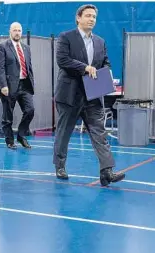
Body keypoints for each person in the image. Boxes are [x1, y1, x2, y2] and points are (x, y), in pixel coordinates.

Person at [53, 4, 125, 186]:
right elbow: (63, 60)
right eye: (88, 16)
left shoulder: (100, 41)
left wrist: (106, 73)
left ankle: (106, 171)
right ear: (78, 18)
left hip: (93, 96)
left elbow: (105, 63)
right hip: (69, 95)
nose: (92, 19)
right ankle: (60, 166)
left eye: (94, 16)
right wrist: (85, 68)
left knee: (99, 134)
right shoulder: (66, 37)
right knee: (64, 133)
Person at [0, 22, 35, 149]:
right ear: (10, 32)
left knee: (30, 110)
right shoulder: (2, 47)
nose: (17, 33)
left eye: (19, 30)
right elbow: (0, 68)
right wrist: (3, 85)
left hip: (24, 85)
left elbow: (29, 67)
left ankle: (21, 135)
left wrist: (32, 82)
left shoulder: (26, 48)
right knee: (8, 116)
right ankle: (10, 141)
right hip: (8, 86)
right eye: (15, 30)